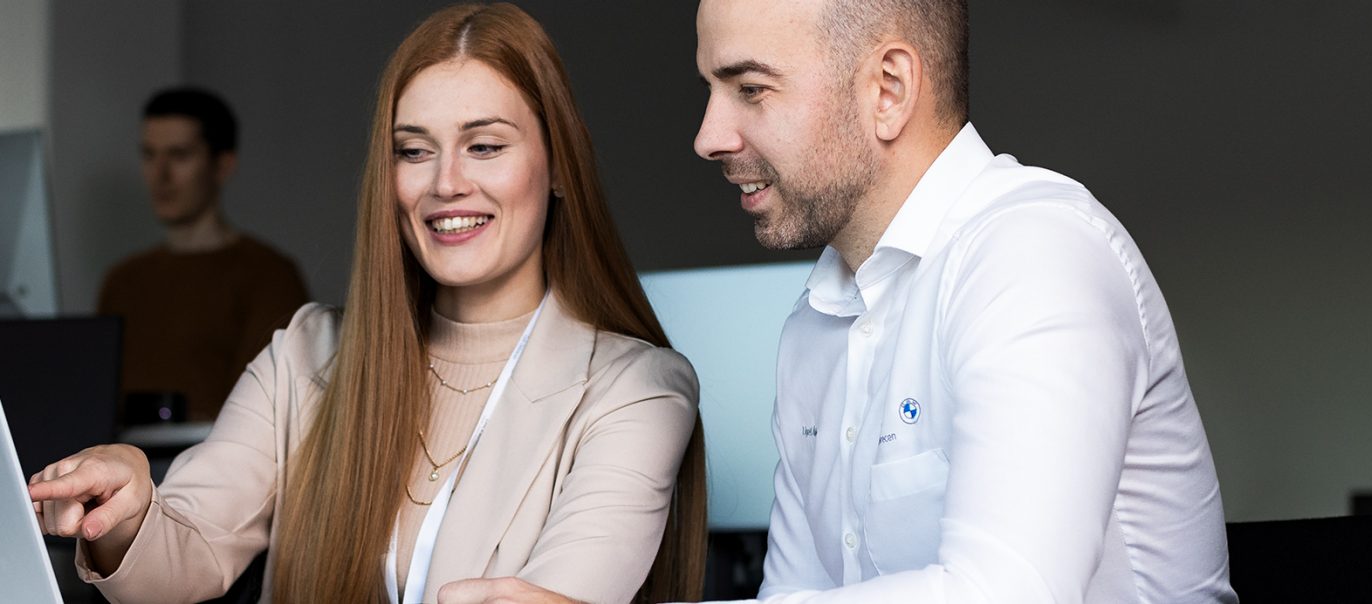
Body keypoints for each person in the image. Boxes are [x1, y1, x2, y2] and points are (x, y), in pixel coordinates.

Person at [444, 0, 1236, 602]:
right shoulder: (814, 326)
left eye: (749, 88)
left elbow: (1007, 593)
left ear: (887, 88)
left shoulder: (1032, 252)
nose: (708, 135)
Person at [30, 4, 708, 603]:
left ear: (559, 167)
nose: (447, 182)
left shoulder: (636, 391)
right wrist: (125, 513)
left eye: (485, 146)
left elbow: (560, 593)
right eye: (414, 151)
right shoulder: (304, 356)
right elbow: (181, 562)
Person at [98, 86, 312, 422]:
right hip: (119, 464)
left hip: (219, 465)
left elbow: (265, 413)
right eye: (149, 155)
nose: (161, 174)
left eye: (180, 155)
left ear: (222, 165)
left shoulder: (268, 275)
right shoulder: (122, 280)